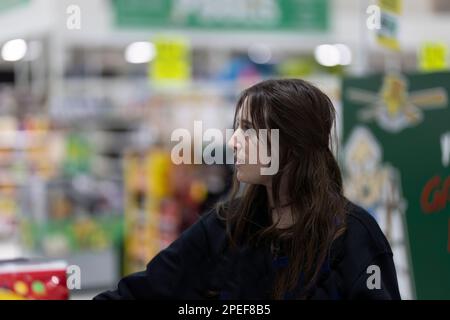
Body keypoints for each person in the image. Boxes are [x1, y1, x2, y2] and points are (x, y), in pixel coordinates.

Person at [94, 79, 401, 300]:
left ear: (291, 145)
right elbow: (149, 289)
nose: (233, 142)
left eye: (249, 130)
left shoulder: (353, 236)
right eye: (237, 128)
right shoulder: (226, 227)